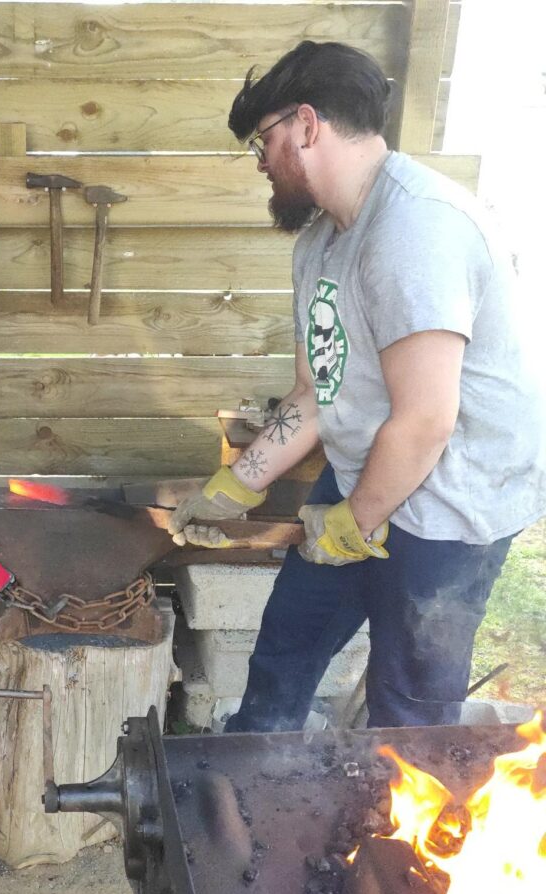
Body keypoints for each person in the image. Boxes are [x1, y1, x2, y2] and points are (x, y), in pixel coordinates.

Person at [168, 42, 546, 732]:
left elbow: (428, 420)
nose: (260, 163)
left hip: (455, 503)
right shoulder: (321, 245)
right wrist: (238, 483)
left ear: (307, 126)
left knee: (407, 707)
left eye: (264, 141)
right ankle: (248, 808)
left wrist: (355, 519)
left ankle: (395, 836)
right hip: (365, 472)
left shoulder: (416, 229)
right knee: (284, 652)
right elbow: (318, 389)